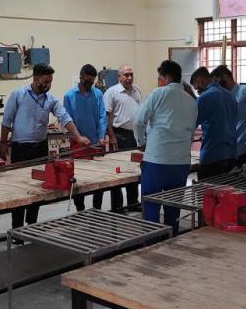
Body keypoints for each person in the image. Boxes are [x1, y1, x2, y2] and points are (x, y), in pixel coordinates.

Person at [0, 64, 90, 227]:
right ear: (35, 79)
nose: (48, 85)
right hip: (20, 149)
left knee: (38, 188)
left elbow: (65, 117)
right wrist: (3, 145)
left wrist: (78, 137)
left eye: (50, 82)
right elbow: (6, 121)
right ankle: (17, 228)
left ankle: (32, 224)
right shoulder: (18, 95)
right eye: (46, 82)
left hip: (41, 149)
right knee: (19, 190)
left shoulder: (50, 99)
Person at [134, 60, 197, 230]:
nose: (159, 82)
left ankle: (151, 241)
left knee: (151, 206)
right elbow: (191, 131)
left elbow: (139, 121)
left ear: (167, 78)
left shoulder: (158, 94)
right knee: (173, 208)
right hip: (181, 163)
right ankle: (171, 240)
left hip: (157, 161)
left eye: (160, 78)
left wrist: (141, 142)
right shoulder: (191, 101)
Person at [63, 64, 107, 211]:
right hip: (78, 145)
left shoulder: (98, 94)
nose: (90, 84)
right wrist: (77, 137)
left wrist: (101, 136)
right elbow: (67, 120)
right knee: (79, 180)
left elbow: (102, 116)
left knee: (99, 179)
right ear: (81, 77)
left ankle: (97, 209)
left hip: (96, 144)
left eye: (92, 81)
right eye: (87, 81)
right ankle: (80, 210)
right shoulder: (69, 96)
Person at [103, 64, 142, 212]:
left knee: (134, 169)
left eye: (131, 74)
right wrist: (112, 136)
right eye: (126, 75)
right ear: (119, 77)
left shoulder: (136, 90)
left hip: (134, 135)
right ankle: (117, 206)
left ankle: (133, 202)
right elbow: (106, 117)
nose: (129, 77)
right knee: (118, 171)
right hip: (119, 135)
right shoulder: (112, 92)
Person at [211, 65, 246, 166]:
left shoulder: (245, 91)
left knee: (244, 175)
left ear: (224, 76)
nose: (216, 85)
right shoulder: (224, 96)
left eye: (216, 81)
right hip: (229, 150)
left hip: (245, 149)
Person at [190, 67, 238, 179]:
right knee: (227, 189)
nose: (198, 92)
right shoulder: (230, 96)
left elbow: (191, 123)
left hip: (212, 155)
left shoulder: (205, 97)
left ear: (200, 81)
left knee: (208, 189)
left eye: (197, 88)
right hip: (231, 154)